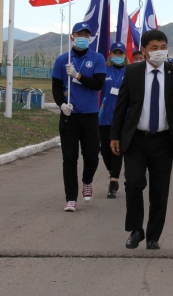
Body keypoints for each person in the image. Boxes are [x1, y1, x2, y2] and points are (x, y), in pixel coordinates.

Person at [110, 30, 173, 250]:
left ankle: (154, 235)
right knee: (134, 184)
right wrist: (115, 135)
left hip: (164, 141)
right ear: (144, 51)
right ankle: (136, 230)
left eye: (163, 47)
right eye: (154, 48)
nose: (159, 51)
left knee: (159, 190)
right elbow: (122, 106)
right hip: (136, 139)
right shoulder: (133, 71)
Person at [51, 23, 106, 212]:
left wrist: (78, 75)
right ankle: (71, 198)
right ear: (72, 36)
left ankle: (87, 180)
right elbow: (56, 88)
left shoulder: (97, 58)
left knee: (92, 156)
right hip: (69, 115)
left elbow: (98, 84)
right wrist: (61, 104)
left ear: (90, 38)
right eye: (79, 34)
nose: (83, 37)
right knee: (69, 157)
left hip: (90, 114)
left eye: (86, 34)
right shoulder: (62, 60)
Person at [98, 42, 128, 199]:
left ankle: (113, 182)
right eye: (115, 53)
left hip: (122, 118)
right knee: (104, 150)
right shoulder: (104, 71)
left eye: (120, 53)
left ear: (124, 55)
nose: (117, 56)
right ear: (110, 55)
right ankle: (112, 172)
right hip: (104, 117)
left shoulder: (129, 72)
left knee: (117, 150)